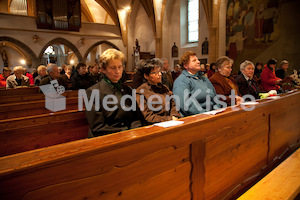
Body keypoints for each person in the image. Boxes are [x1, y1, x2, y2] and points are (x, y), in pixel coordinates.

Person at [85, 48, 144, 137]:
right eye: (113, 68)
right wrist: (126, 132)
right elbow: (97, 127)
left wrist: (135, 131)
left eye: (120, 67)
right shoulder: (93, 92)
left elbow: (136, 117)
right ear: (103, 69)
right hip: (106, 139)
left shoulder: (127, 89)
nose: (117, 71)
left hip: (129, 136)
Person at [173, 51, 220, 117]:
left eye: (198, 60)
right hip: (196, 117)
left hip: (212, 114)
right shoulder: (181, 81)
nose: (198, 62)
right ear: (185, 65)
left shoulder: (204, 78)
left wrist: (217, 110)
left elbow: (215, 96)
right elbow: (186, 104)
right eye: (194, 60)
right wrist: (205, 114)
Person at [136, 59, 181, 124]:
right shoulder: (141, 91)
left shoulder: (164, 88)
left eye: (160, 71)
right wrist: (169, 119)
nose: (160, 74)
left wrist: (174, 115)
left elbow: (173, 105)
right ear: (146, 76)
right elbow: (148, 116)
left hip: (170, 122)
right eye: (155, 72)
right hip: (153, 125)